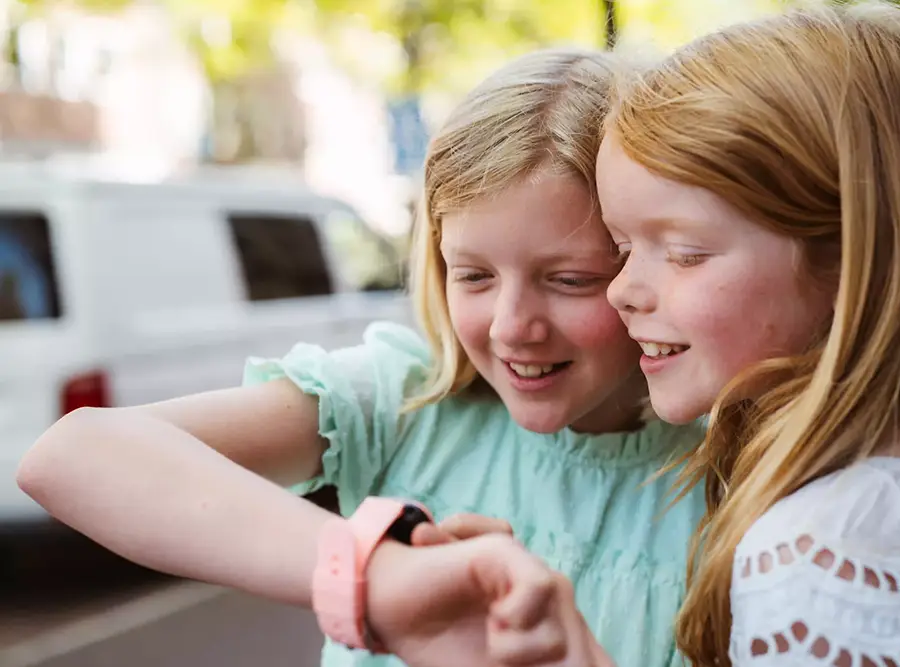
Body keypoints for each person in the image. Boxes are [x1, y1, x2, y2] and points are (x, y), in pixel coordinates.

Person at [16, 47, 706, 667]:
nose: (510, 325)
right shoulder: (403, 403)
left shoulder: (730, 478)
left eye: (569, 279)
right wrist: (379, 579)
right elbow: (69, 456)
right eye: (473, 275)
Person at [453, 2, 900, 666]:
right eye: (623, 247)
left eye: (683, 252)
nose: (623, 288)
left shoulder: (831, 560)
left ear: (848, 258)